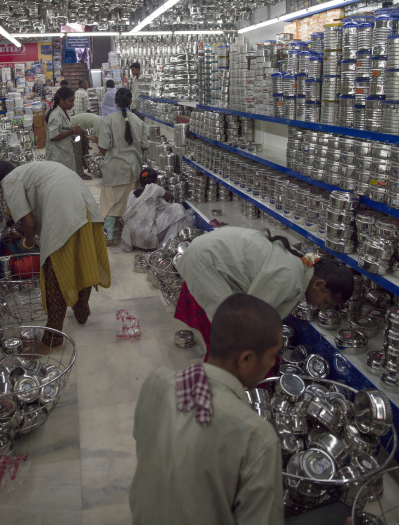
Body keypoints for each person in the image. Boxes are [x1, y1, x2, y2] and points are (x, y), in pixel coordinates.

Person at [130, 293, 352, 525]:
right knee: (339, 514)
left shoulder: (157, 382)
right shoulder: (257, 436)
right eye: (272, 356)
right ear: (245, 359)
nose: (273, 364)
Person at [0, 161, 111, 355]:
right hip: (86, 208)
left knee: (55, 276)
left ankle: (52, 340)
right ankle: (81, 309)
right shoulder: (30, 170)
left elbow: (29, 222)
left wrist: (27, 242)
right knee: (83, 261)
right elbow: (37, 212)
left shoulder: (9, 182)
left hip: (65, 214)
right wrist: (22, 232)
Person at [174, 227, 354, 355]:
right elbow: (248, 315)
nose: (321, 306)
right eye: (326, 301)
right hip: (203, 261)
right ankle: (219, 385)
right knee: (230, 334)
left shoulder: (305, 263)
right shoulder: (289, 278)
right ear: (319, 285)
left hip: (207, 249)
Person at [98, 87, 148, 246]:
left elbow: (103, 147)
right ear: (131, 101)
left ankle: (108, 235)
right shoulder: (139, 121)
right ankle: (130, 235)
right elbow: (144, 146)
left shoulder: (109, 120)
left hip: (114, 169)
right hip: (133, 169)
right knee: (129, 203)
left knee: (110, 203)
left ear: (115, 102)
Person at [121, 168, 189, 252]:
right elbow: (171, 197)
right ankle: (167, 246)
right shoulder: (154, 188)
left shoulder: (132, 193)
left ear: (139, 181)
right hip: (146, 240)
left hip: (132, 239)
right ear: (156, 181)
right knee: (177, 209)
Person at [44, 87, 82, 171]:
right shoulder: (56, 115)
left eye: (73, 101)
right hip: (57, 156)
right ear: (61, 100)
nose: (73, 104)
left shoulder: (65, 112)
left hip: (65, 154)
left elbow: (66, 131)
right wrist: (72, 131)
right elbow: (53, 136)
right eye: (70, 101)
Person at [70, 112, 102, 179]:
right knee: (77, 150)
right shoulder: (100, 122)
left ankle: (89, 167)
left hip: (81, 128)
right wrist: (102, 152)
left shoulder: (101, 120)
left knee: (84, 148)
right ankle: (80, 173)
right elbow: (97, 140)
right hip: (74, 126)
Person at [73, 79, 92, 178]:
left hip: (76, 124)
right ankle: (86, 167)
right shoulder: (85, 94)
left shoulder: (76, 93)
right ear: (82, 84)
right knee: (84, 145)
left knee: (78, 146)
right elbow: (88, 109)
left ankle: (86, 166)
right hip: (83, 124)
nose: (87, 84)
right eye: (86, 83)